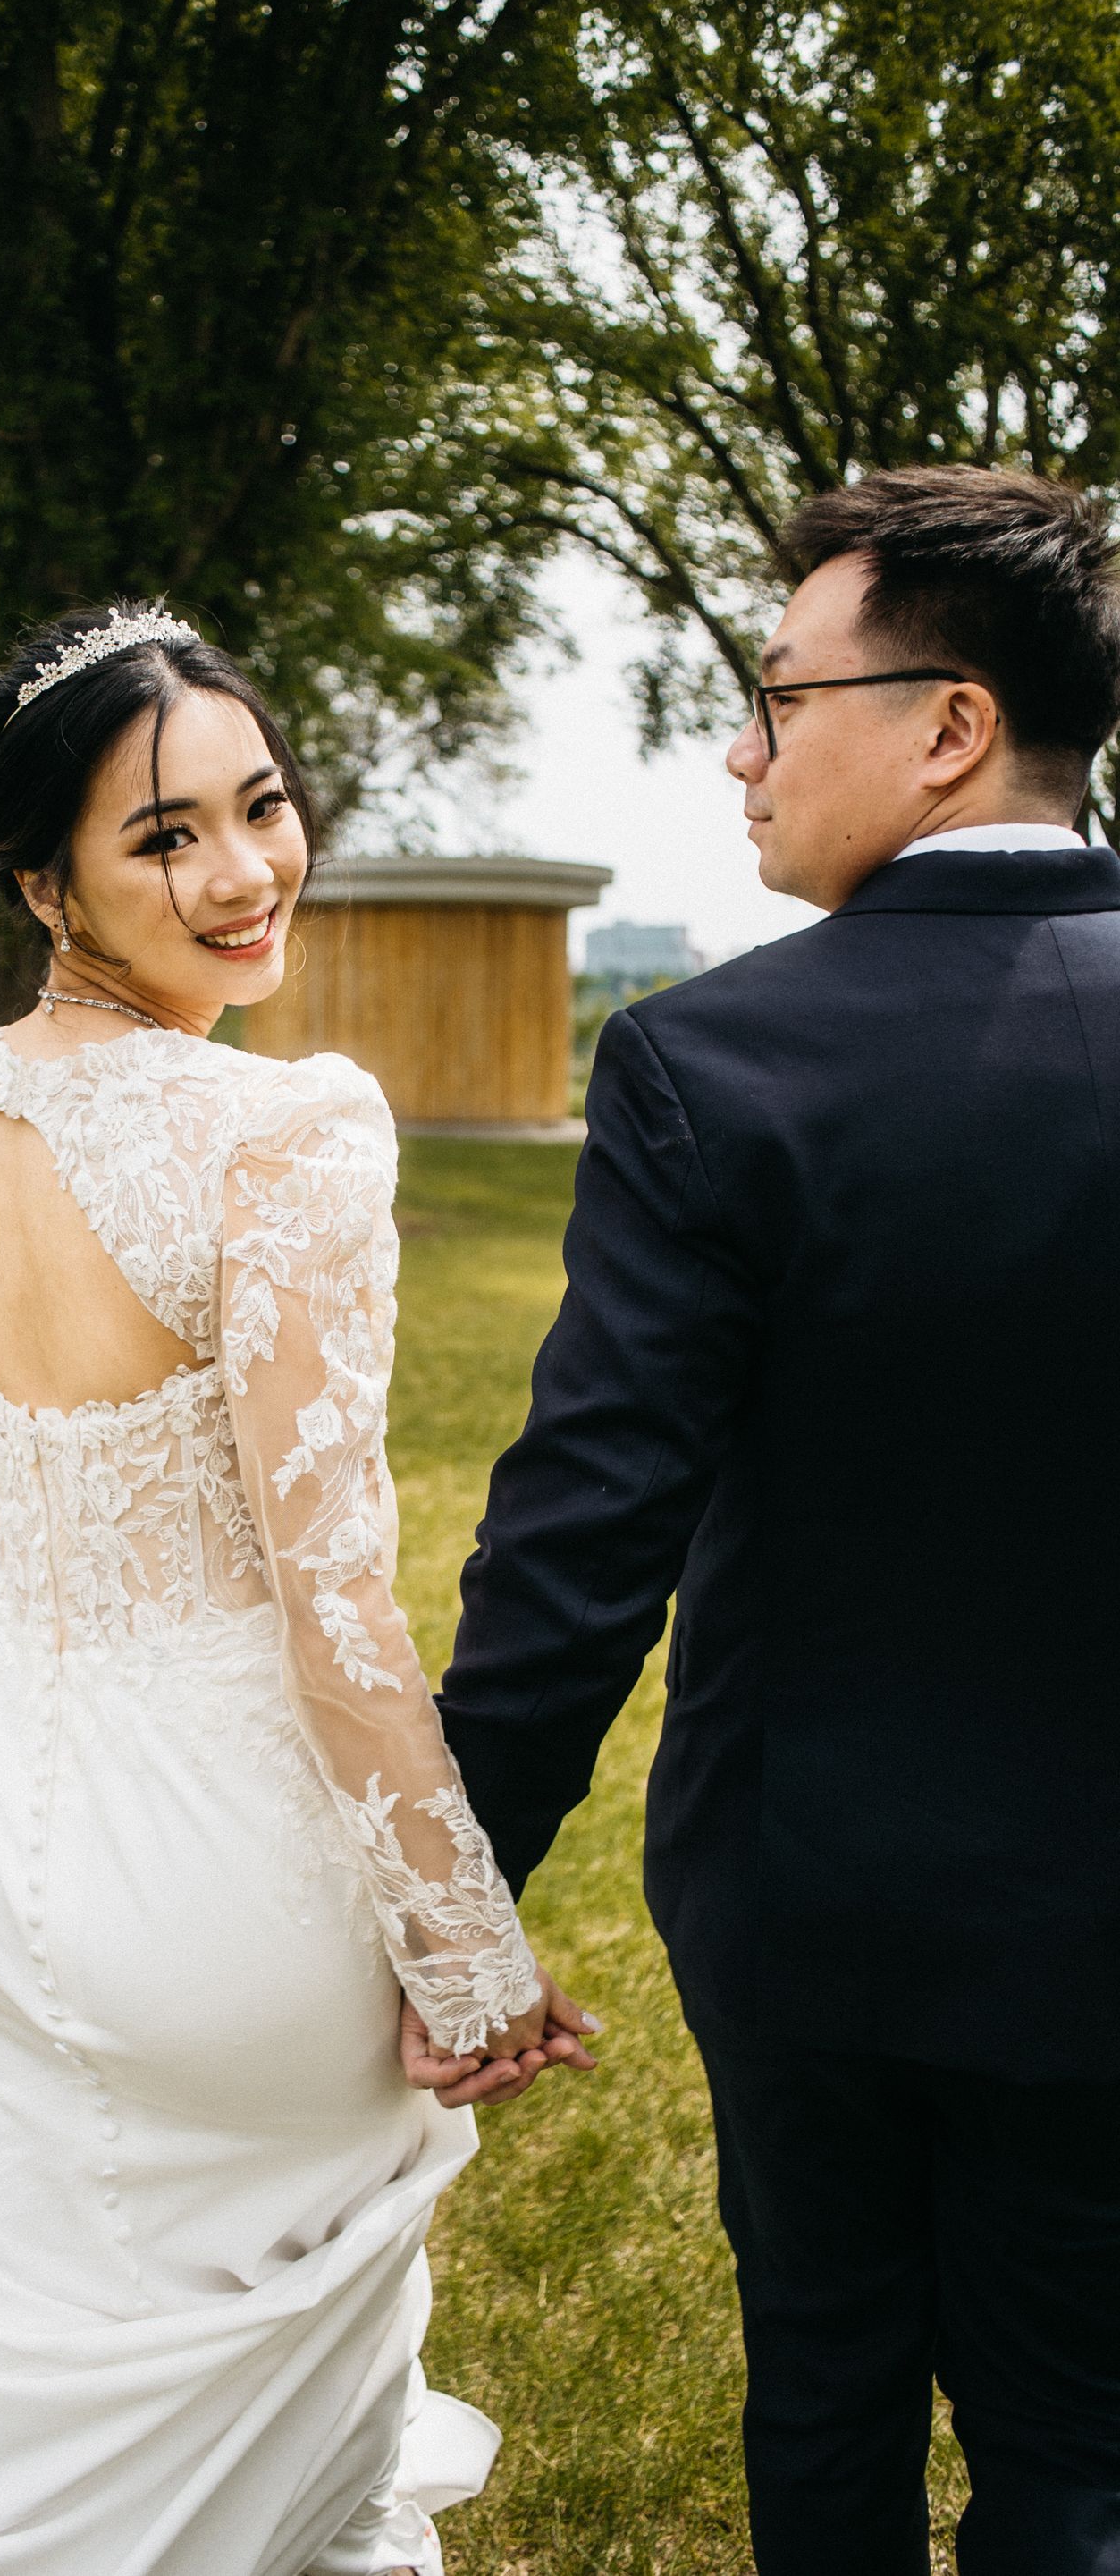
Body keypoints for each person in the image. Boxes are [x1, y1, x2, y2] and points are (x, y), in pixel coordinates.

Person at [0, 602, 598, 2576]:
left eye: (260, 807)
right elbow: (332, 1607)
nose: (243, 871)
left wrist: (89, 1474)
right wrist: (469, 1952)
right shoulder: (291, 1130)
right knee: (303, 2508)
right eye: (163, 836)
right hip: (222, 1888)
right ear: (46, 880)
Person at [433, 469, 1120, 2573]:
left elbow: (580, 1548)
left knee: (825, 2412)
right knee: (1083, 2461)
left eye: (775, 695)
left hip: (809, 1900)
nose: (740, 748)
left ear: (947, 726)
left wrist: (450, 1905)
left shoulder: (705, 1068)